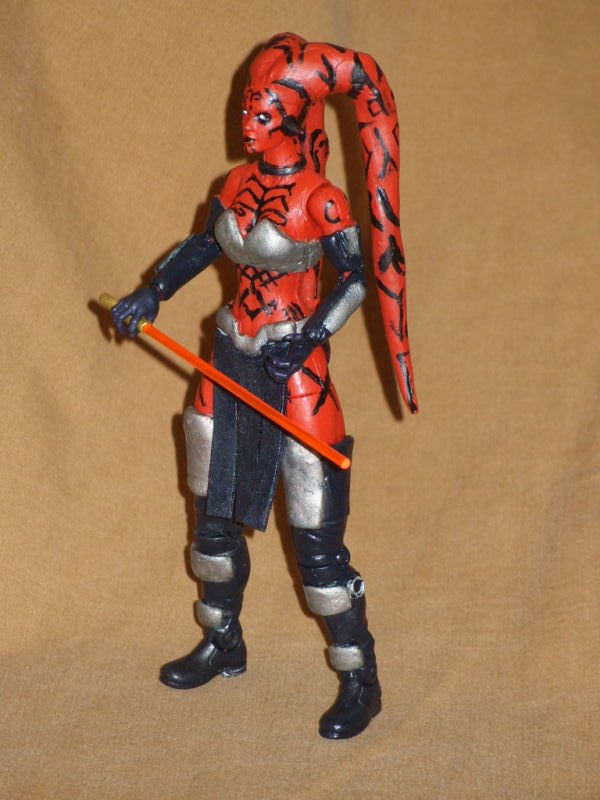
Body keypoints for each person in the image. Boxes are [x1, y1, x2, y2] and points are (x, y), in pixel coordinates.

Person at [112, 32, 418, 739]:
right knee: (211, 516)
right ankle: (223, 639)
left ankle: (360, 677)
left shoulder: (322, 199)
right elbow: (203, 246)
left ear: (292, 117)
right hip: (227, 360)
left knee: (316, 540)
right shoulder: (233, 186)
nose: (245, 120)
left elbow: (357, 278)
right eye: (246, 105)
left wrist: (310, 338)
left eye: (261, 110)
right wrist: (152, 290)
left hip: (296, 374)